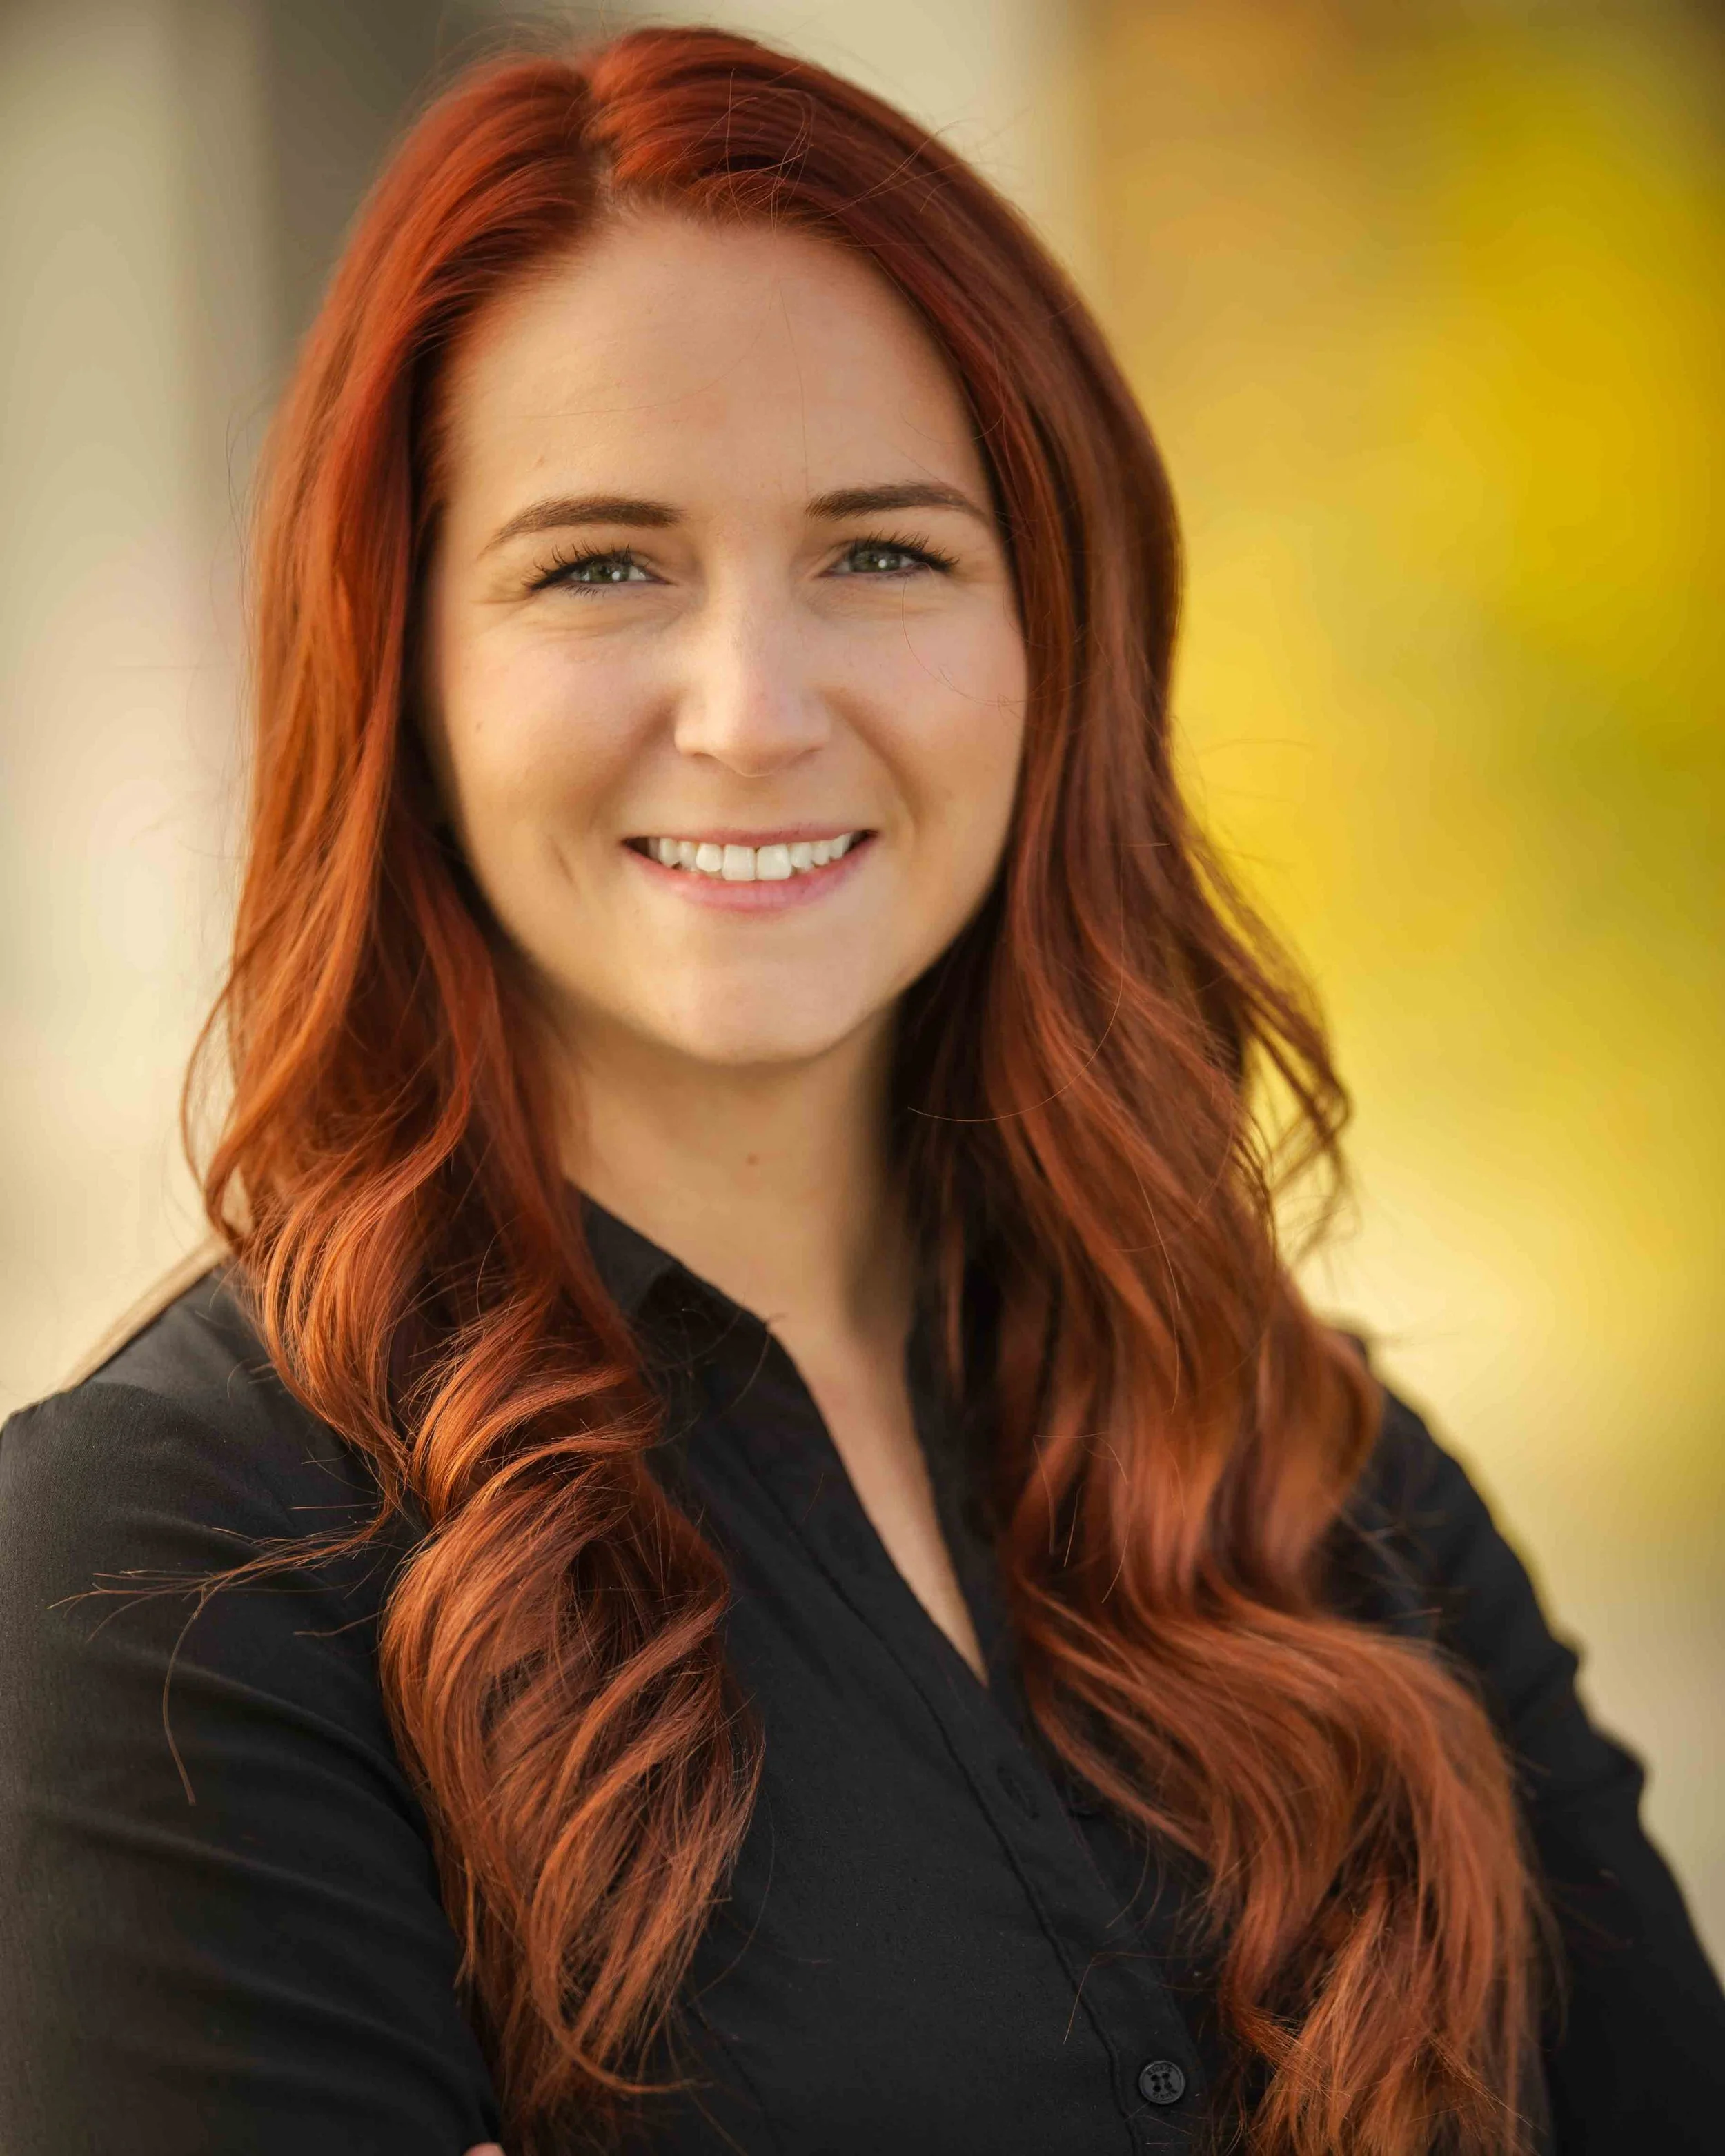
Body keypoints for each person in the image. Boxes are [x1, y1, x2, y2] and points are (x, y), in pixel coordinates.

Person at [1, 26, 1719, 2156]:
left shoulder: (1315, 1480)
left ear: (1049, 644)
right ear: (402, 671)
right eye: (601, 563)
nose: (749, 710)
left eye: (882, 553)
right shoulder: (174, 1569)